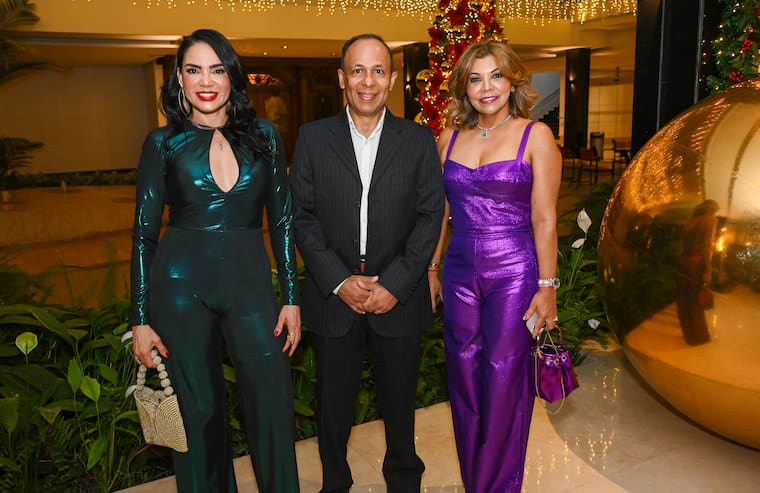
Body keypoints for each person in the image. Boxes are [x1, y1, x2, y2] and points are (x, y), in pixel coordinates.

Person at [130, 29, 301, 493]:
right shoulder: (162, 142)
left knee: (271, 404)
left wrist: (291, 297)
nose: (206, 81)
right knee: (198, 414)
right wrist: (140, 319)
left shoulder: (265, 136)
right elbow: (144, 235)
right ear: (179, 79)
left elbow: (283, 221)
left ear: (232, 77)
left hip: (251, 288)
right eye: (194, 70)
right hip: (180, 289)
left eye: (217, 69)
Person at [289, 33, 445, 493]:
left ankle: (404, 482)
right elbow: (301, 217)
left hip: (399, 297)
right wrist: (340, 281)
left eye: (378, 71)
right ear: (342, 78)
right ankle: (335, 484)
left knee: (400, 406)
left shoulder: (418, 140)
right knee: (333, 407)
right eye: (357, 70)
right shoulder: (313, 138)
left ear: (392, 80)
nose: (368, 81)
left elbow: (430, 215)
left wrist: (395, 283)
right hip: (334, 297)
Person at [427, 40, 562, 492]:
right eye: (476, 79)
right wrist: (432, 268)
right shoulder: (448, 138)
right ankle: (476, 482)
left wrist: (547, 286)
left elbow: (545, 218)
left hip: (514, 271)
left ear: (512, 81)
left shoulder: (535, 135)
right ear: (464, 87)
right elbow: (438, 213)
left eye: (496, 76)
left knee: (504, 379)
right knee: (463, 377)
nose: (487, 88)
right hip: (459, 271)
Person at [676, 199, 719, 345]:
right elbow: (707, 246)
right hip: (696, 262)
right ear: (712, 209)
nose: (715, 213)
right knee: (695, 300)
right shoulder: (709, 220)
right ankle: (699, 337)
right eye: (715, 210)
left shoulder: (690, 222)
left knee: (684, 298)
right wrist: (708, 269)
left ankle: (689, 336)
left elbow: (681, 245)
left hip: (683, 261)